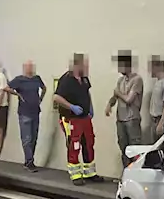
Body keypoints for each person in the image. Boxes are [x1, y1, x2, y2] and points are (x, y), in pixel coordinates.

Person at [52, 54, 97, 185]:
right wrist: (71, 106)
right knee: (74, 145)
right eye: (85, 64)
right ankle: (75, 174)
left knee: (89, 143)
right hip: (71, 119)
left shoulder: (84, 79)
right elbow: (56, 97)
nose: (87, 67)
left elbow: (87, 93)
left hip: (84, 118)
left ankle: (90, 173)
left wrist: (90, 108)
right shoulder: (66, 79)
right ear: (77, 65)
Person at [8, 60, 46, 172]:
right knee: (27, 138)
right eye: (28, 67)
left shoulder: (37, 79)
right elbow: (6, 87)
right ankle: (29, 161)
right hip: (24, 112)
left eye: (31, 67)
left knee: (34, 137)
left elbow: (44, 88)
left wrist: (40, 99)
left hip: (35, 111)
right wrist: (18, 94)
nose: (30, 69)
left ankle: (28, 160)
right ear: (24, 68)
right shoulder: (19, 80)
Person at [105, 52, 144, 159]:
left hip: (132, 119)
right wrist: (109, 104)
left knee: (134, 149)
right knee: (123, 147)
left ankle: (136, 173)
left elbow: (129, 99)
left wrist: (118, 93)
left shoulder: (137, 80)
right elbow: (115, 96)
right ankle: (126, 171)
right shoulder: (120, 80)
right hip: (120, 119)